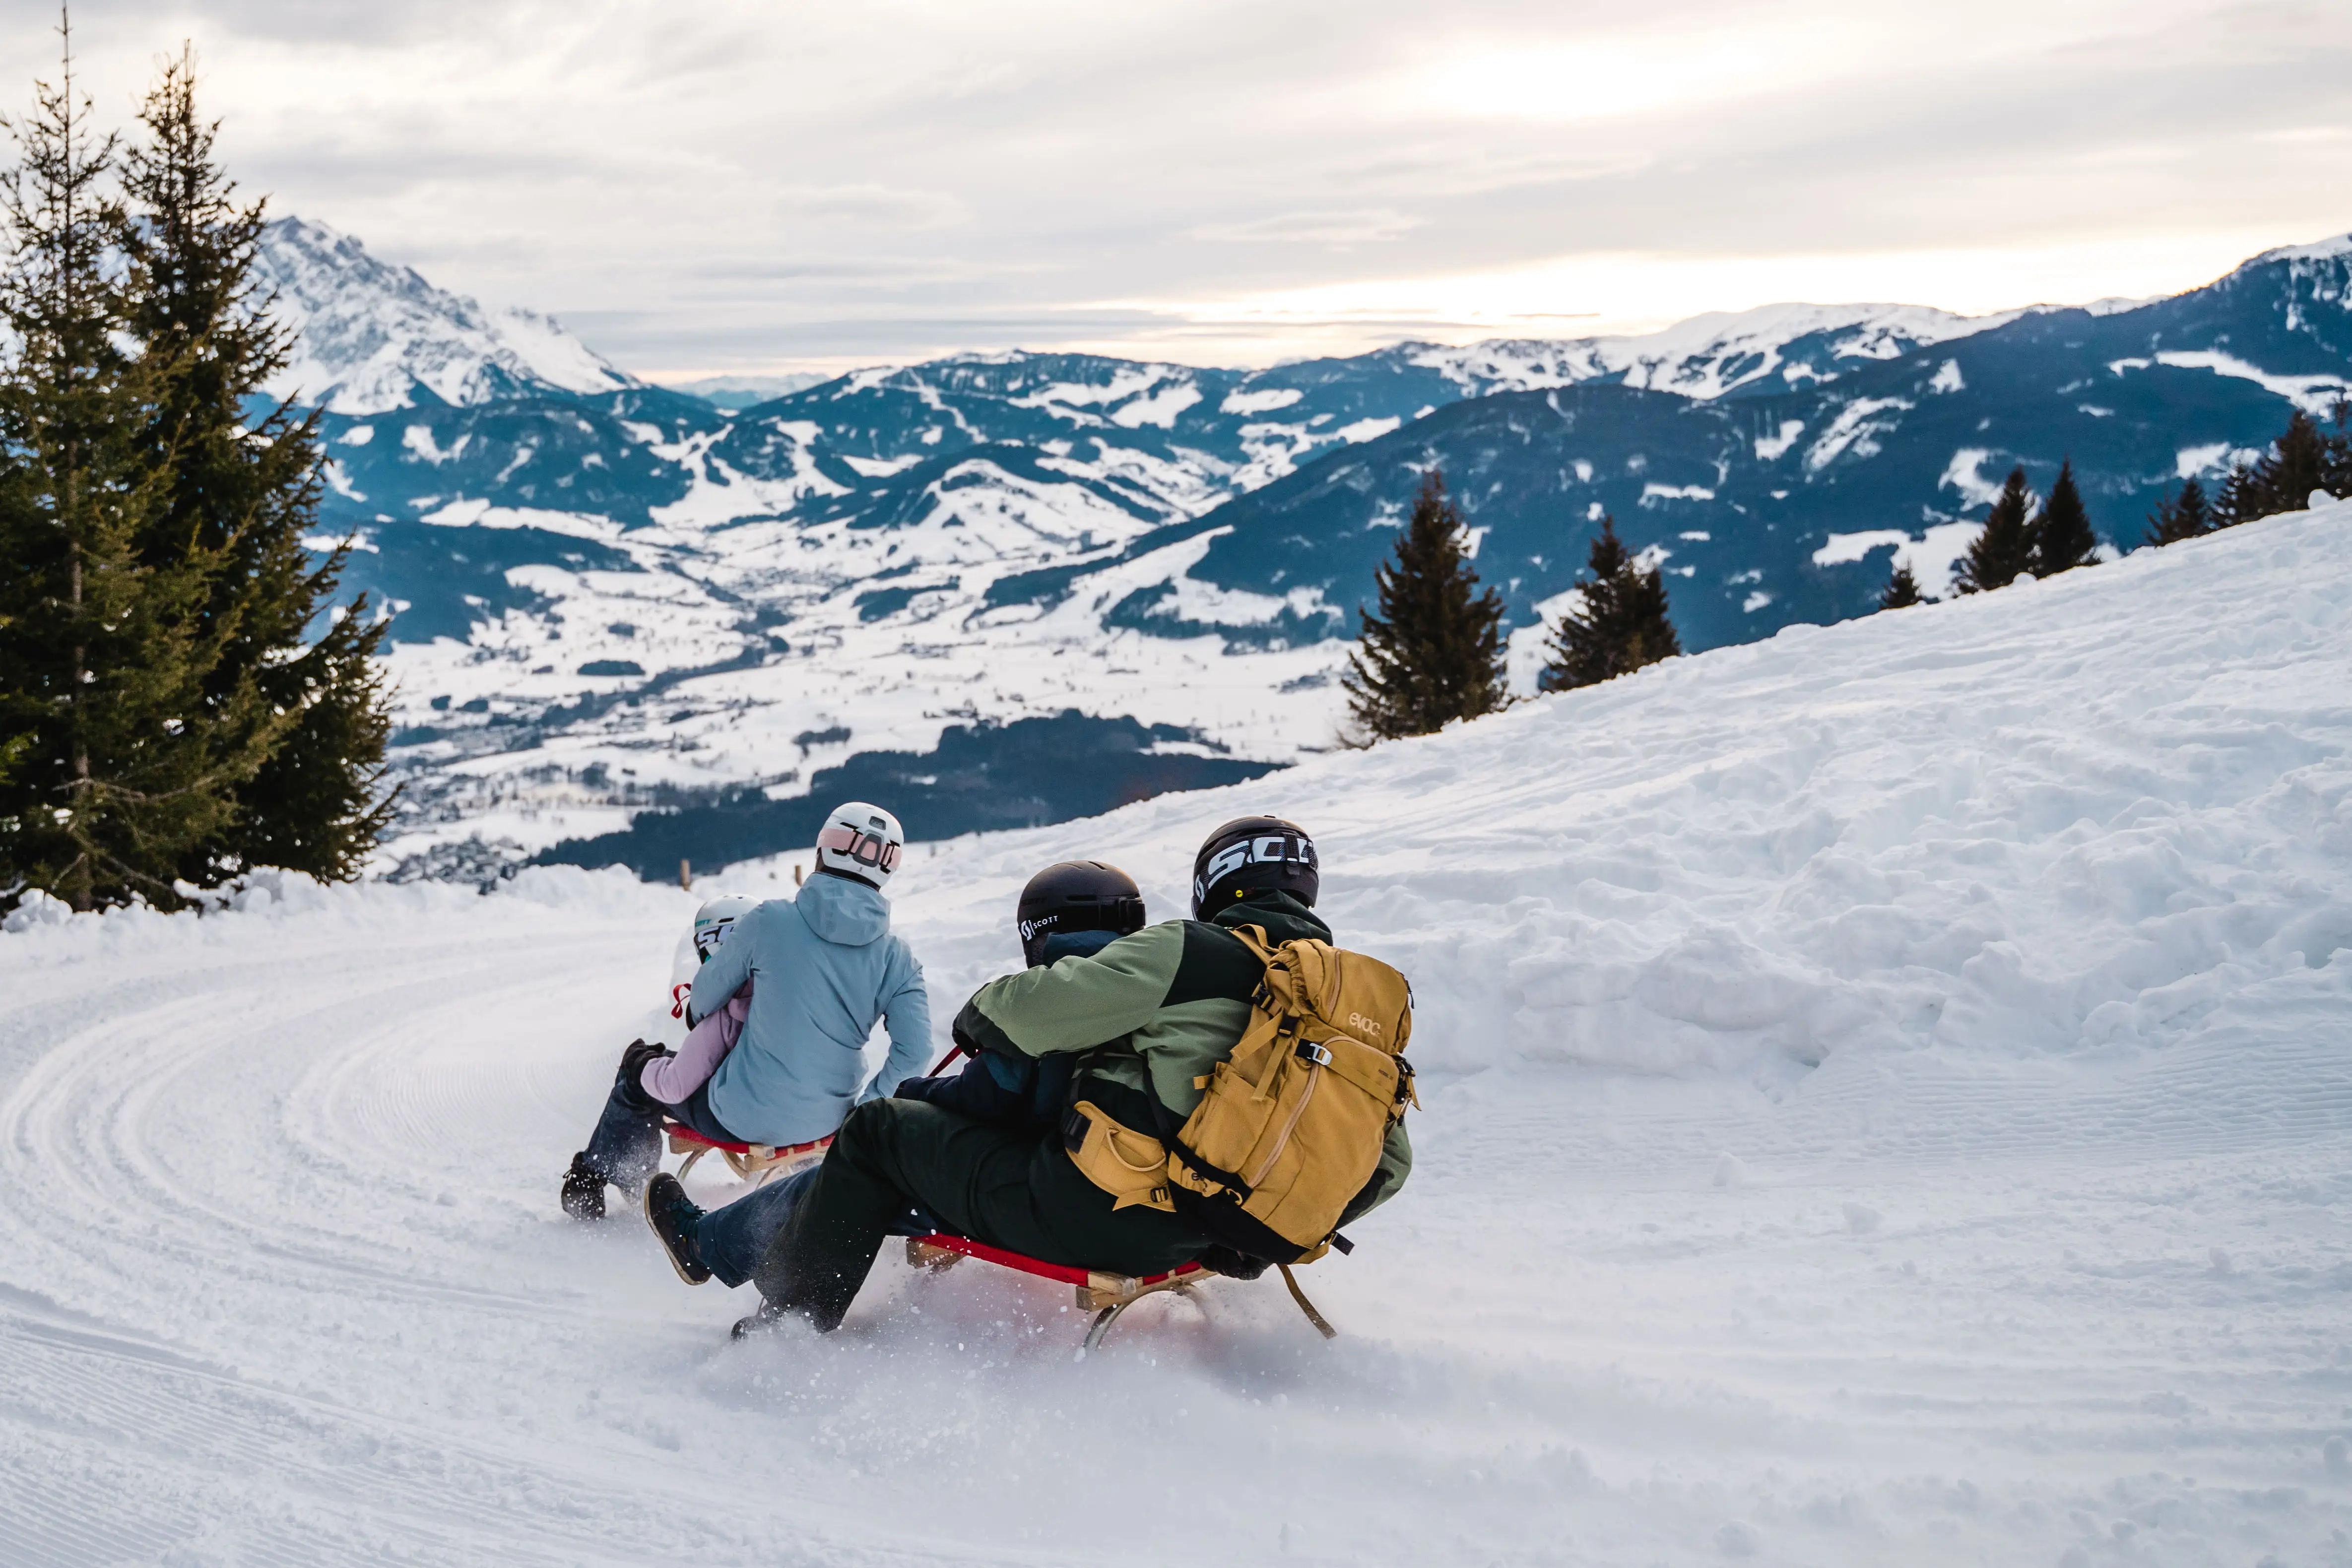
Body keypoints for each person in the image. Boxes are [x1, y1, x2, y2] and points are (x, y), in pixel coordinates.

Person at [720, 816, 1412, 1336]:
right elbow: (1388, 1164)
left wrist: (979, 1017)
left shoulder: (1194, 954)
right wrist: (1262, 1231)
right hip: (1212, 1235)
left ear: (1216, 886)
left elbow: (1035, 1011)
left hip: (1093, 1216)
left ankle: (788, 1328)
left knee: (877, 1131)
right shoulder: (1351, 1005)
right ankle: (731, 1247)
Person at [638, 859, 1148, 1291]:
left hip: (1061, 1204)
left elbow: (988, 1098)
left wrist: (916, 1093)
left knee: (873, 1154)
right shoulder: (1169, 991)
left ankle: (725, 1260)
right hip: (1157, 1219)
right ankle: (729, 1250)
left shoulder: (1055, 999)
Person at [560, 801, 931, 1232]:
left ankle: (613, 1179)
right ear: (887, 869)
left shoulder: (769, 921)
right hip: (830, 1119)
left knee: (639, 1066)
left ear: (823, 849)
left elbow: (702, 1003)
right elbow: (915, 1050)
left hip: (739, 1114)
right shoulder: (898, 959)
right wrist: (861, 1113)